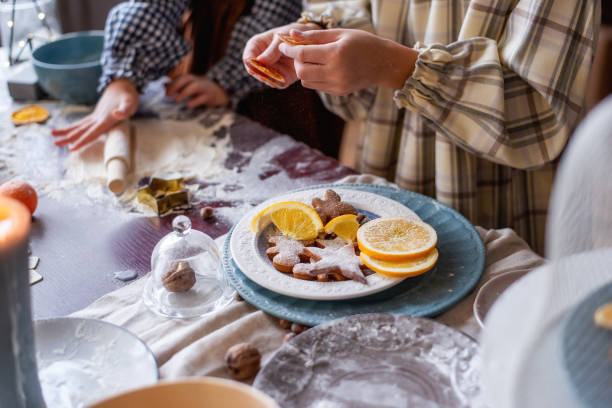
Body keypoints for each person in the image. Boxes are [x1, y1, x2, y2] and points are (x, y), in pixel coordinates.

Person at [244, 0, 599, 254]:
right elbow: (353, 7)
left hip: (493, 201)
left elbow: (535, 116)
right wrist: (316, 34)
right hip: (385, 167)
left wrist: (392, 65)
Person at [51, 0, 302, 151]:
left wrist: (224, 81)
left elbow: (272, 21)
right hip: (205, 64)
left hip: (276, 80)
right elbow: (152, 6)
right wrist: (122, 78)